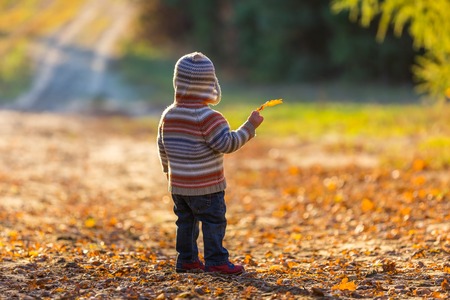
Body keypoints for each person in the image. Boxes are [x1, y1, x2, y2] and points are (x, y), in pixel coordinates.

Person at [157, 52, 264, 274]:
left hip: (178, 186)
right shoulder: (209, 117)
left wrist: (168, 170)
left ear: (178, 81)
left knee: (185, 223)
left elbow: (162, 144)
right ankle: (216, 261)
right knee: (213, 222)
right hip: (207, 186)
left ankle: (186, 260)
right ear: (210, 84)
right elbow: (227, 144)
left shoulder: (168, 115)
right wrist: (249, 127)